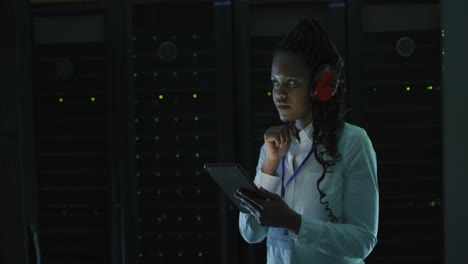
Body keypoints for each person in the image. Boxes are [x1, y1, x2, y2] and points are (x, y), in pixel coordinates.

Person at [234, 16, 379, 264]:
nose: (279, 93)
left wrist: (293, 222)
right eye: (275, 83)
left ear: (321, 86)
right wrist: (270, 165)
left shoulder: (354, 142)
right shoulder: (271, 147)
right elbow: (250, 233)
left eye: (291, 83)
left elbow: (362, 241)